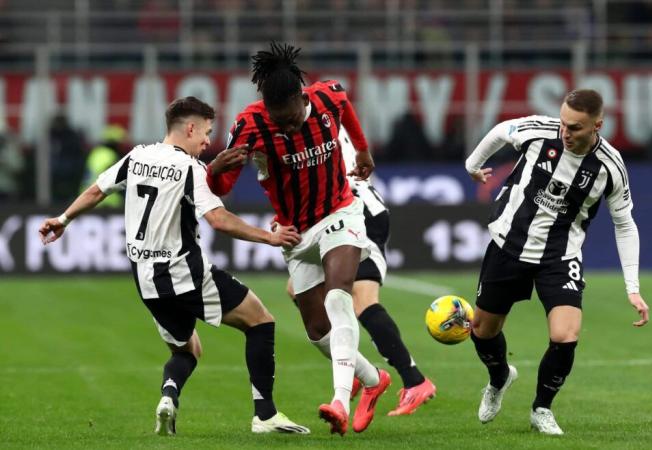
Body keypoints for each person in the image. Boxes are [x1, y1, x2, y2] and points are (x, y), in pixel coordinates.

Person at [39, 96, 309, 436]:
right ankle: (265, 416)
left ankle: (168, 397)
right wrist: (269, 238)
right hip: (183, 272)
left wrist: (62, 219)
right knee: (261, 322)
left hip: (146, 280)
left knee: (188, 349)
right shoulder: (190, 169)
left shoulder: (137, 156)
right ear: (190, 127)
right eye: (207, 133)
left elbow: (96, 190)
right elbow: (218, 219)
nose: (209, 142)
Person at [207, 42, 389, 436]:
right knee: (317, 330)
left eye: (290, 119)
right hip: (294, 232)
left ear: (301, 98)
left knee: (339, 297)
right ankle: (374, 379)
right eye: (279, 122)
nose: (287, 128)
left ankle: (340, 401)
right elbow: (222, 187)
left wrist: (362, 151)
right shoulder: (250, 125)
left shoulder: (326, 97)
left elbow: (345, 107)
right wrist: (213, 170)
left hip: (340, 211)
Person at [463, 89, 650, 435]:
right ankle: (500, 377)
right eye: (564, 123)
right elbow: (502, 130)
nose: (565, 132)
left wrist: (633, 287)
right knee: (483, 330)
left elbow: (625, 224)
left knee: (566, 335)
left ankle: (541, 409)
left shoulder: (610, 166)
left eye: (575, 128)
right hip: (509, 244)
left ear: (597, 126)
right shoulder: (539, 130)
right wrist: (472, 165)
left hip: (560, 256)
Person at [283, 126, 436, 415]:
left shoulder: (308, 123)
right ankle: (356, 368)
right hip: (339, 207)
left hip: (355, 207)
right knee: (298, 290)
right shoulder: (320, 116)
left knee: (362, 299)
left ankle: (414, 380)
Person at [81, 124, 128, 207]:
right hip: (106, 200)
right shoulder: (108, 155)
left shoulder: (96, 152)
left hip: (88, 197)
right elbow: (111, 177)